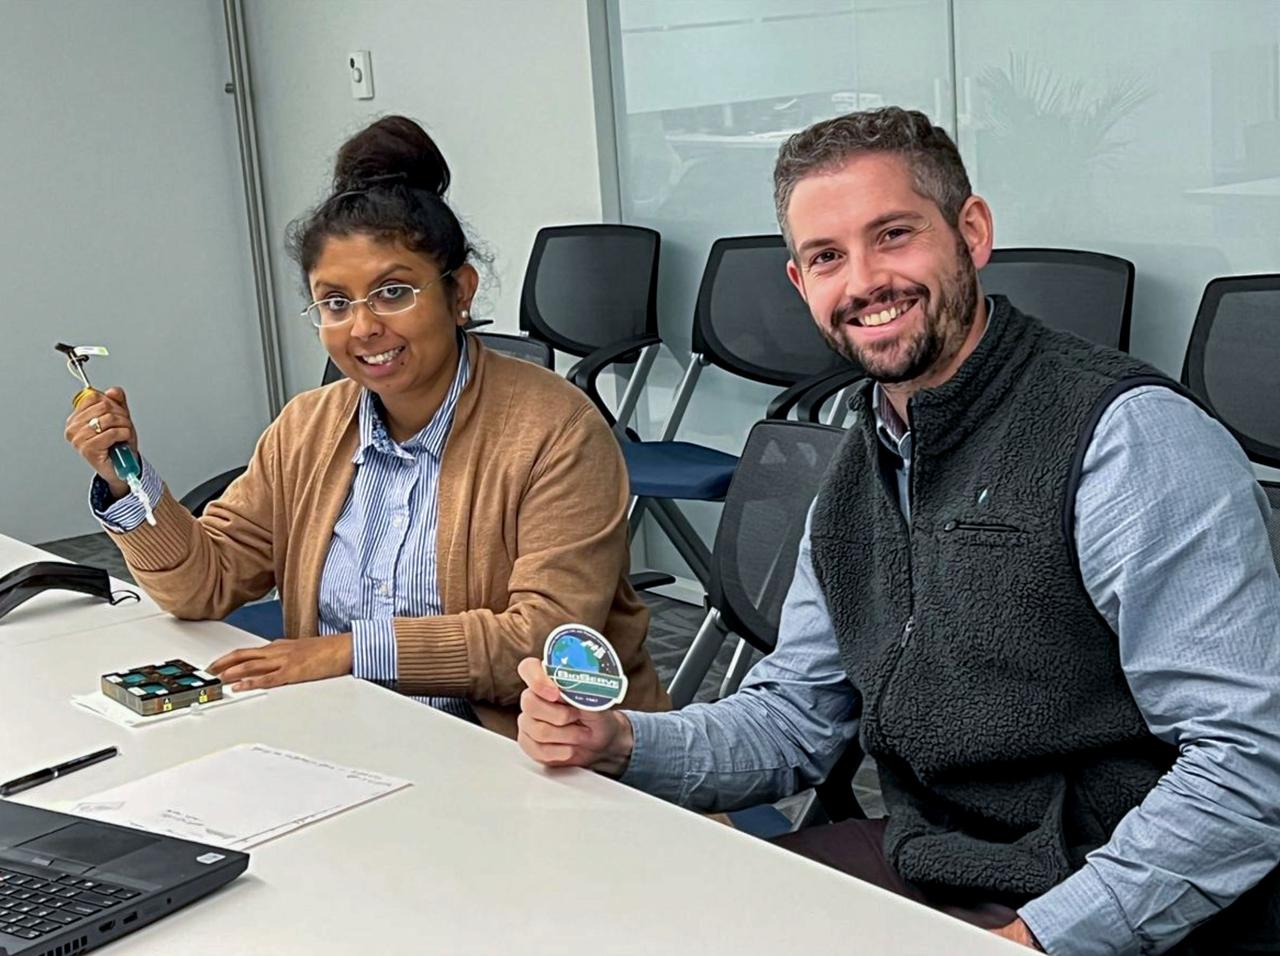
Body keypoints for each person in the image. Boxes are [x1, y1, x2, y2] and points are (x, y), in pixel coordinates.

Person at [515, 107, 1280, 953]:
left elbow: (1249, 763)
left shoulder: (1127, 439)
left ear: (972, 233)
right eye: (827, 257)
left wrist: (1036, 938)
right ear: (801, 285)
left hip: (1112, 898)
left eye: (894, 235)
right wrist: (619, 740)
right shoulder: (860, 468)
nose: (866, 280)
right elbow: (795, 721)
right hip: (937, 863)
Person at [63, 115, 668, 735]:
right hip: (346, 733)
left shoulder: (555, 428)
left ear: (460, 292)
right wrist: (125, 481)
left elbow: (544, 641)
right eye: (334, 302)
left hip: (527, 747)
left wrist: (349, 653)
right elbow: (205, 583)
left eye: (394, 292)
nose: (362, 328)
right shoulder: (307, 427)